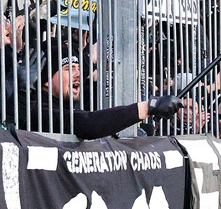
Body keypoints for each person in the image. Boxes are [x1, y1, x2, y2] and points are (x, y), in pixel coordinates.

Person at [25, 42, 182, 138]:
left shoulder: (65, 104)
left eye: (78, 68)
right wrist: (149, 107)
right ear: (46, 80)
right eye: (69, 69)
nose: (78, 74)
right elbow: (87, 123)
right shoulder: (37, 110)